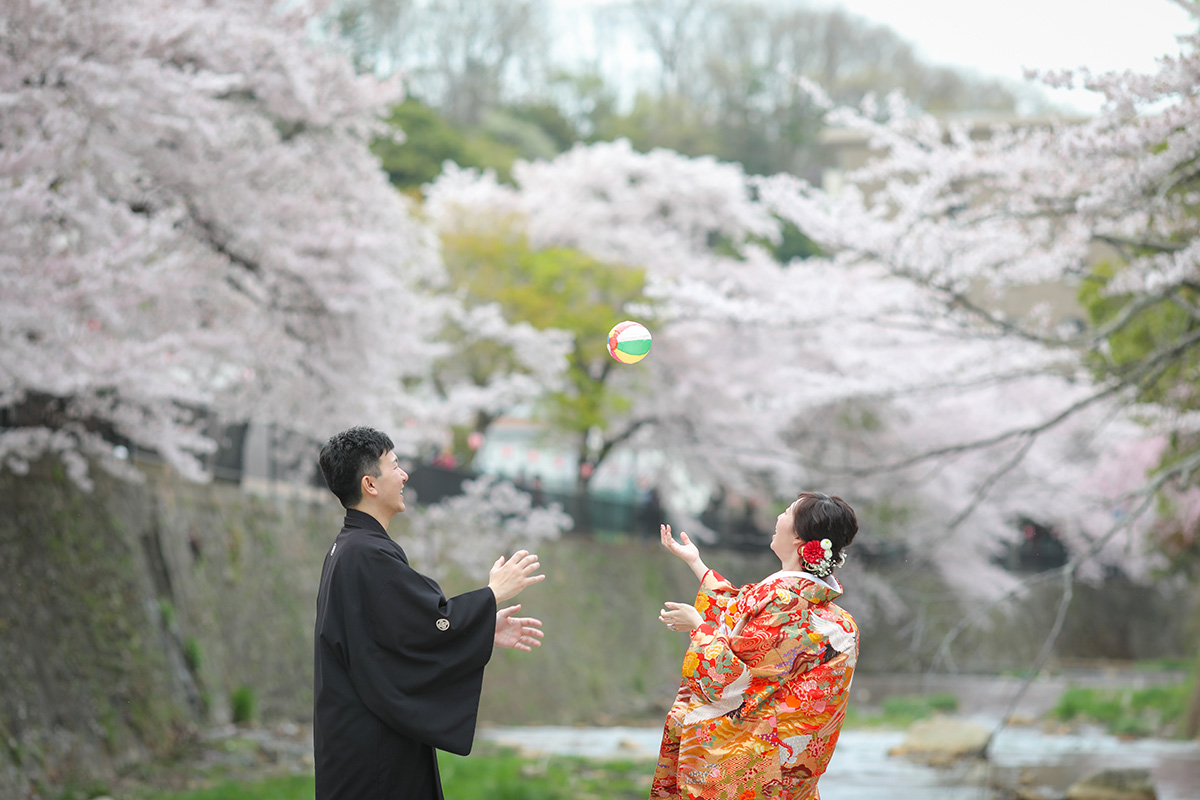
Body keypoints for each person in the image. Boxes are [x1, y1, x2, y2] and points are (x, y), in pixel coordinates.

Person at [314, 426, 546, 800]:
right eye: (394, 466)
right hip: (375, 752)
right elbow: (429, 624)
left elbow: (397, 636)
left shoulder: (349, 548)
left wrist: (483, 627)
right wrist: (491, 595)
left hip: (353, 737)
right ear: (370, 484)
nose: (404, 475)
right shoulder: (367, 554)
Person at [652, 491, 860, 800]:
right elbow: (740, 614)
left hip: (758, 772)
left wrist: (699, 627)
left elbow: (732, 683)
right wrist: (695, 562)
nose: (778, 517)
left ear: (800, 538)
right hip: (790, 772)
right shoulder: (826, 615)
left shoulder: (786, 604)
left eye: (787, 513)